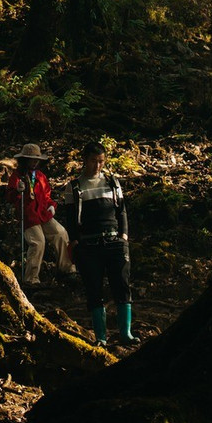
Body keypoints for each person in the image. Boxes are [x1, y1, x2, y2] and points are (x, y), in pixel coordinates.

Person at [70, 139, 135, 347]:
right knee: (94, 290)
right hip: (89, 246)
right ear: (84, 160)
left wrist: (123, 237)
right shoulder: (74, 187)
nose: (97, 166)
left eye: (101, 161)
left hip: (114, 241)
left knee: (122, 286)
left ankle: (126, 333)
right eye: (93, 161)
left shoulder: (113, 183)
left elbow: (122, 211)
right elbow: (70, 219)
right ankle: (101, 337)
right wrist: (75, 243)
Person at [6, 143, 74, 288]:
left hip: (43, 214)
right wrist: (18, 191)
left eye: (36, 159)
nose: (35, 162)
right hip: (28, 217)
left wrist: (51, 205)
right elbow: (10, 198)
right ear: (24, 160)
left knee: (61, 233)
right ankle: (31, 279)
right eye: (31, 159)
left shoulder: (41, 177)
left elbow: (47, 196)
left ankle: (67, 269)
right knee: (38, 242)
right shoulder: (17, 176)